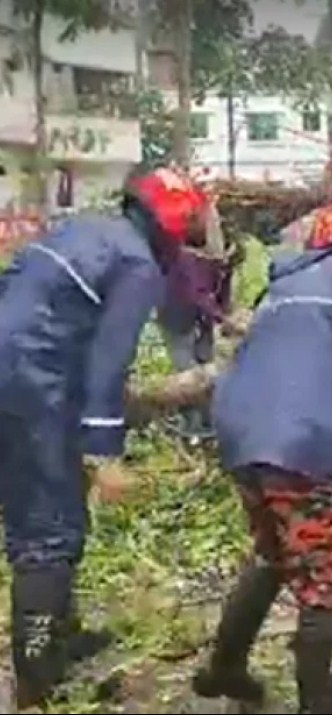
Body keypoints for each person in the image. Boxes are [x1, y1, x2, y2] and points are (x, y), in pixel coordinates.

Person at [194, 200, 332, 713]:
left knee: (274, 553)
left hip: (238, 435)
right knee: (326, 584)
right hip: (301, 445)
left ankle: (225, 670)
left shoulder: (282, 285)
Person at [0, 166, 214, 708]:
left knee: (58, 508)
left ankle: (59, 640)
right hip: (34, 385)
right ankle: (35, 683)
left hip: (25, 375)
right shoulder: (138, 264)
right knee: (46, 532)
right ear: (171, 225)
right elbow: (108, 363)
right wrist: (103, 453)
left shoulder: (85, 230)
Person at [156, 203, 239, 440]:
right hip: (176, 317)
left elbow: (221, 287)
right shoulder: (183, 257)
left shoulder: (219, 255)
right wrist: (223, 317)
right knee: (188, 372)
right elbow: (197, 293)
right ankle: (193, 427)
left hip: (201, 320)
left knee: (207, 367)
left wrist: (224, 312)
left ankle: (208, 423)